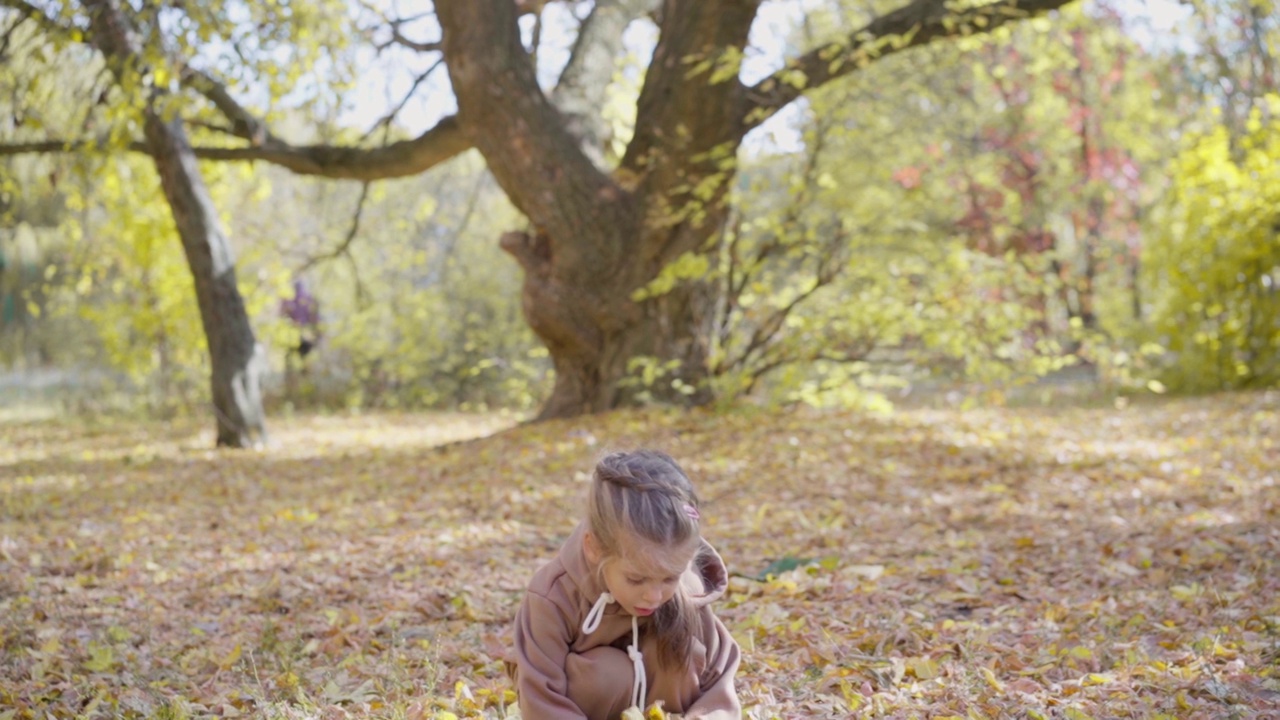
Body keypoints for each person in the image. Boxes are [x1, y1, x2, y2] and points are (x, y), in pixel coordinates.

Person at [509, 450, 742, 719]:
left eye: (669, 578)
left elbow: (718, 679)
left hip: (658, 696)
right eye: (636, 579)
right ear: (593, 548)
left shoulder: (684, 586)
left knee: (681, 652)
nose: (654, 596)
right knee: (609, 672)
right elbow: (541, 695)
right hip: (583, 695)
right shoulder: (553, 595)